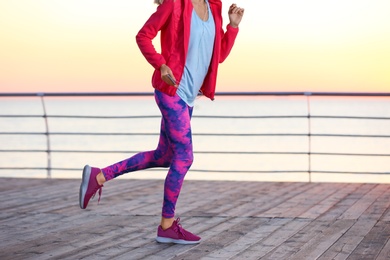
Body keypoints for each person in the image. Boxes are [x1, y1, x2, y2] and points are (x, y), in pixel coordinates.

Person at [79, 0, 244, 245]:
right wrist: (161, 64)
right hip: (171, 93)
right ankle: (166, 225)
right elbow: (143, 36)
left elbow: (217, 55)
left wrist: (232, 27)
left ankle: (99, 176)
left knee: (164, 156)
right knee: (185, 157)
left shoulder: (214, 8)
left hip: (188, 98)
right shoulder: (175, 4)